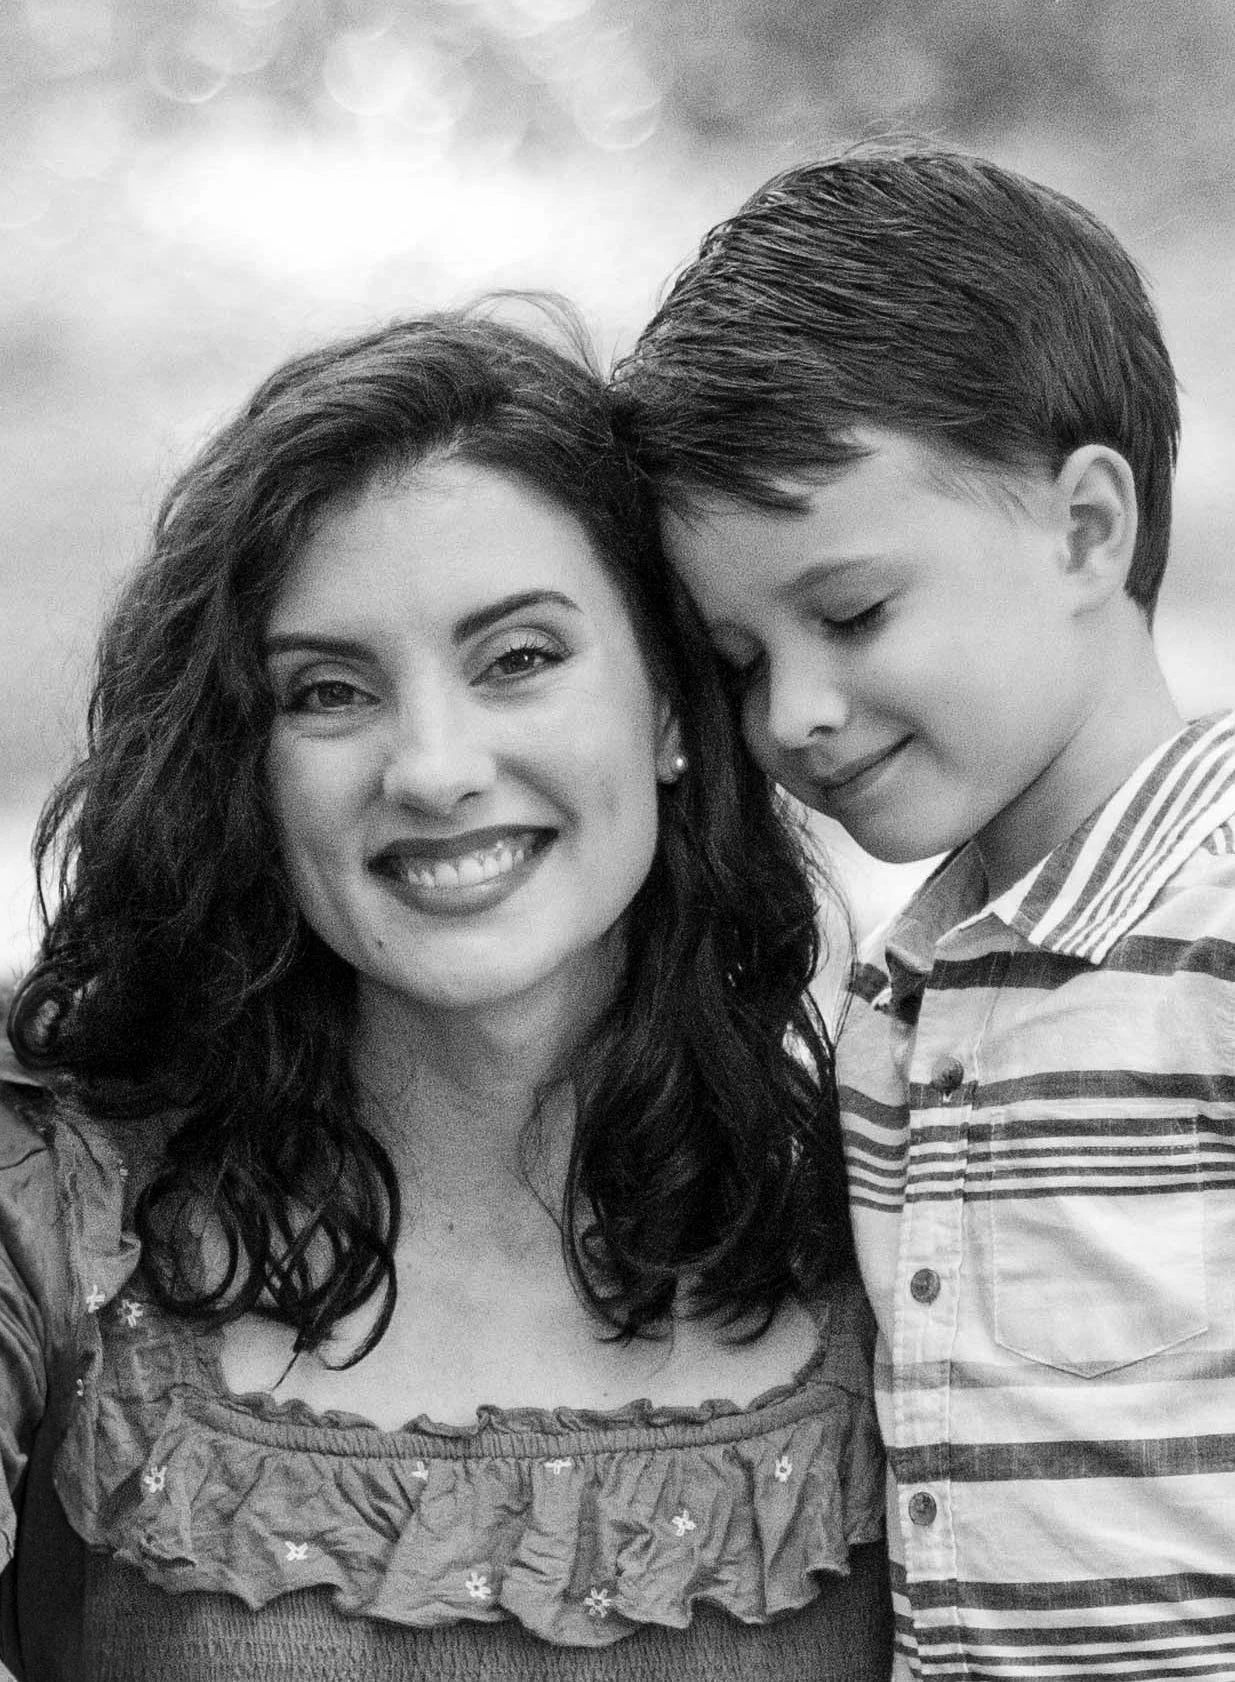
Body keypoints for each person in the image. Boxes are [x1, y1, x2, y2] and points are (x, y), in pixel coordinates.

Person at [0, 307, 892, 1682]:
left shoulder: (904, 1231)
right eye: (330, 692)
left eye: (519, 659)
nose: (431, 766)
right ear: (249, 762)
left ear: (667, 702)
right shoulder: (54, 1218)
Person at [612, 145, 1235, 1679]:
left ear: (1086, 529)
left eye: (850, 614)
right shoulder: (898, 989)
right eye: (739, 661)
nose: (794, 716)